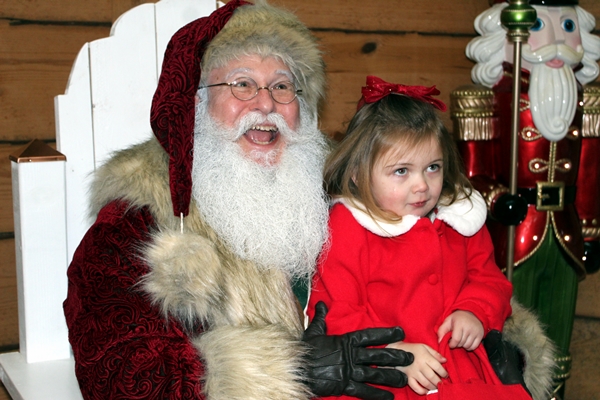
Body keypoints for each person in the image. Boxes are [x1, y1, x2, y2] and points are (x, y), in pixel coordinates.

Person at [62, 2, 414, 399]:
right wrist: (287, 369)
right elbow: (116, 369)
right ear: (194, 105)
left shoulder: (349, 192)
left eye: (282, 86)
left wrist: (486, 327)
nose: (265, 105)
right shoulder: (137, 219)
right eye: (241, 84)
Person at [307, 76, 533, 399]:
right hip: (383, 376)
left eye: (433, 168)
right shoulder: (349, 225)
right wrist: (395, 353)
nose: (422, 186)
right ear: (357, 173)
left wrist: (474, 312)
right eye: (402, 171)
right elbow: (336, 308)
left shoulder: (460, 219)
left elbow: (490, 280)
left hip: (458, 371)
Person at [456, 0, 600, 396]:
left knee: (560, 325)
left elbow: (589, 171)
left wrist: (589, 229)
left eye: (566, 26)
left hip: (564, 231)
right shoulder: (488, 100)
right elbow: (473, 175)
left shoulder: (586, 103)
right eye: (539, 25)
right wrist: (497, 197)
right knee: (512, 327)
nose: (555, 41)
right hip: (511, 235)